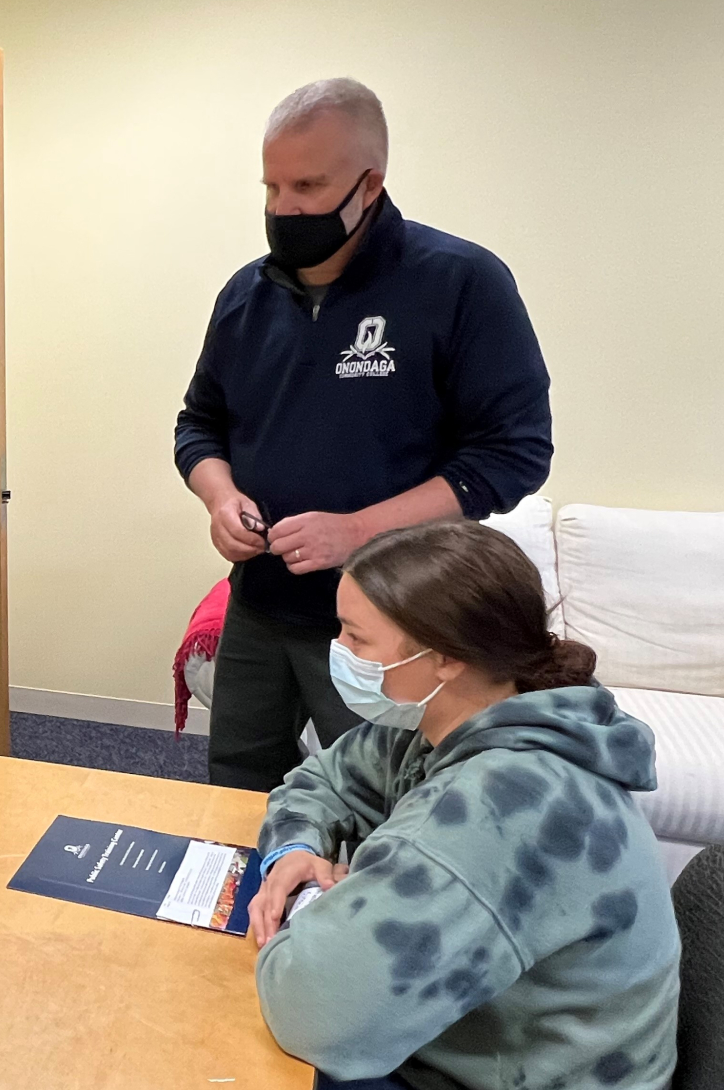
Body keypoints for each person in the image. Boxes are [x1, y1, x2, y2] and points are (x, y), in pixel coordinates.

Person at [174, 78, 553, 793]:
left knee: (382, 800)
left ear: (369, 183)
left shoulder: (459, 282)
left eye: (308, 187)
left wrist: (357, 531)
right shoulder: (243, 296)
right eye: (271, 187)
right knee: (237, 783)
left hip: (393, 627)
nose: (283, 209)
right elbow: (198, 424)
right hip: (258, 602)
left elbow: (513, 453)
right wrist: (218, 496)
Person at [248, 520, 679, 1090]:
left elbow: (313, 1012)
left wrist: (321, 901)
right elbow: (323, 778)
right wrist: (298, 848)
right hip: (487, 1039)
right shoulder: (463, 713)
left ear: (445, 657)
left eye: (356, 638)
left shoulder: (502, 804)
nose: (339, 652)